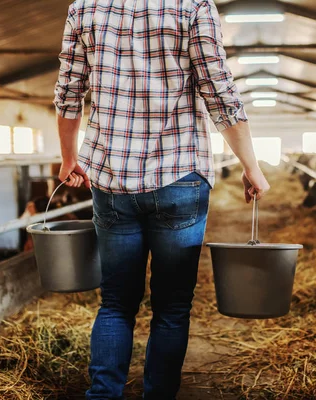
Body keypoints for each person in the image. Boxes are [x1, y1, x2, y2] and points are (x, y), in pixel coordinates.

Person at [53, 0, 270, 398]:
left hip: (111, 176)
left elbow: (69, 90)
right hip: (180, 176)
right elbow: (218, 90)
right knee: (171, 307)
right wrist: (250, 164)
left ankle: (103, 394)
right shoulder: (193, 6)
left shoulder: (83, 7)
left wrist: (70, 158)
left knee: (116, 303)